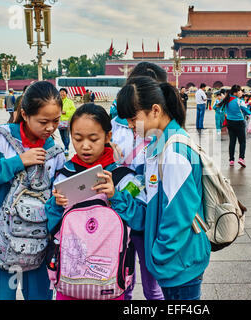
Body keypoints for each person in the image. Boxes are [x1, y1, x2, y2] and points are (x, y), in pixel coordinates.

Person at [97, 76, 211, 300]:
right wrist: (116, 196)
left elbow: (178, 216)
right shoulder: (157, 147)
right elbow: (150, 207)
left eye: (133, 118)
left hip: (179, 265)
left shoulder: (174, 151)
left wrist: (159, 256)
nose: (130, 126)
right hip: (175, 263)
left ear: (156, 111)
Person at [0, 81, 66, 300]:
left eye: (56, 121)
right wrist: (17, 162)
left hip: (40, 244)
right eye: (43, 121)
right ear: (24, 114)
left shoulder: (55, 151)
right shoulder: (0, 139)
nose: (50, 128)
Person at [45, 103, 145, 300]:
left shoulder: (124, 177)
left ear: (108, 137)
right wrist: (56, 205)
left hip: (111, 281)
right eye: (78, 138)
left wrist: (116, 196)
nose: (85, 146)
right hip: (68, 280)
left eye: (93, 139)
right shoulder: (64, 175)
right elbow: (51, 225)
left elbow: (141, 220)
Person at [109, 61, 166, 300]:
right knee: (123, 278)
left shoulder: (164, 132)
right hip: (119, 210)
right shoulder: (113, 125)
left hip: (148, 214)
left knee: (154, 285)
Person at [218, 85, 251, 167]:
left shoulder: (227, 100)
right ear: (235, 93)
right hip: (239, 122)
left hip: (230, 122)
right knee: (242, 141)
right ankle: (241, 158)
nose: (241, 92)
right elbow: (247, 112)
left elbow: (221, 109)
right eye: (240, 91)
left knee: (232, 141)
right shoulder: (239, 101)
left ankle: (231, 160)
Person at [59, 88, 77, 157]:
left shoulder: (70, 102)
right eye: (61, 92)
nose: (62, 93)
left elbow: (73, 111)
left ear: (66, 93)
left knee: (66, 135)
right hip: (59, 122)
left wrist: (65, 112)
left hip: (67, 122)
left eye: (63, 92)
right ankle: (65, 146)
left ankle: (66, 148)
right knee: (62, 136)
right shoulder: (58, 101)